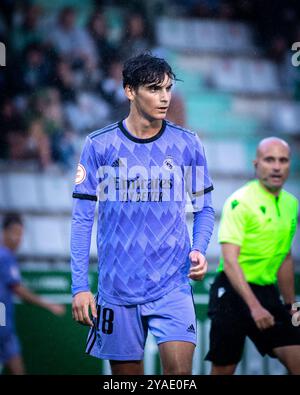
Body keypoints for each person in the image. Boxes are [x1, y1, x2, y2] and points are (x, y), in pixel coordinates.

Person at [70, 53, 215, 375]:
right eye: (153, 89)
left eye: (167, 88)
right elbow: (82, 219)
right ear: (129, 91)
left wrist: (199, 249)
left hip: (172, 284)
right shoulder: (99, 146)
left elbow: (204, 207)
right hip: (117, 289)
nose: (164, 97)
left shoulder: (187, 145)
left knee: (179, 378)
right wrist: (79, 286)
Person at [205, 137, 300, 375]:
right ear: (256, 163)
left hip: (266, 292)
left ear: (290, 164)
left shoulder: (291, 204)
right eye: (270, 160)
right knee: (224, 369)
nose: (277, 166)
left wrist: (292, 306)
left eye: (283, 160)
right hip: (232, 292)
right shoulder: (240, 201)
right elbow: (229, 261)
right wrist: (255, 308)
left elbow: (285, 257)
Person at [0, 214, 65, 375]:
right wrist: (48, 304)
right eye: (15, 232)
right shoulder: (4, 256)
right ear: (4, 232)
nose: (18, 238)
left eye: (21, 234)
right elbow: (18, 289)